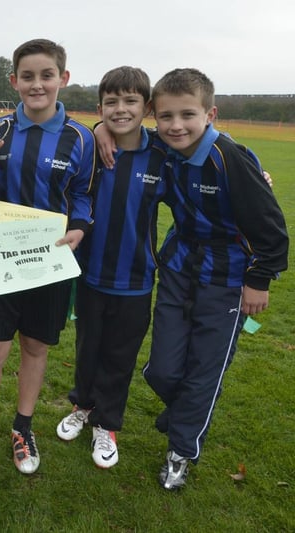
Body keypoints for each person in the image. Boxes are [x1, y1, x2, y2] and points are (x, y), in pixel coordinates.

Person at [140, 68, 288, 490]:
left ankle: (180, 451)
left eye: (187, 114)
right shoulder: (163, 148)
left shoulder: (230, 158)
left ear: (210, 114)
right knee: (161, 369)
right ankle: (186, 412)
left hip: (227, 276)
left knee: (205, 368)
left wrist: (259, 280)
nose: (175, 125)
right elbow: (120, 127)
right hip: (179, 265)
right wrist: (99, 131)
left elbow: (272, 232)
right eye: (165, 116)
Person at [0, 39, 95, 475]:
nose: (37, 85)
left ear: (63, 79)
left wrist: (79, 227)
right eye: (28, 76)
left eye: (46, 75)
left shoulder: (81, 137)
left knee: (36, 345)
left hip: (50, 258)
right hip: (3, 258)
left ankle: (23, 426)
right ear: (14, 80)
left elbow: (82, 194)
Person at [55, 66, 166, 469]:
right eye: (111, 103)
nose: (121, 109)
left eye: (130, 101)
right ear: (101, 106)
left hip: (136, 278)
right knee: (88, 347)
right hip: (90, 273)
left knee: (120, 356)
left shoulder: (161, 155)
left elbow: (200, 161)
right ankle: (82, 406)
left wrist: (255, 171)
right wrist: (99, 127)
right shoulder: (91, 149)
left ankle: (107, 423)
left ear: (147, 107)